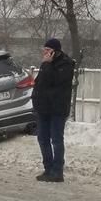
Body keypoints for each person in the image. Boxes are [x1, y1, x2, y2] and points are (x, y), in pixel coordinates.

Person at [31, 37, 75, 183]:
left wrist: (47, 65)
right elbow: (40, 84)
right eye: (44, 50)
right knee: (42, 139)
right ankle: (48, 168)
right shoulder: (46, 64)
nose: (45, 53)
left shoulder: (66, 64)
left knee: (56, 139)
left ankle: (57, 171)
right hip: (43, 109)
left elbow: (54, 81)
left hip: (57, 109)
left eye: (48, 50)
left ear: (56, 51)